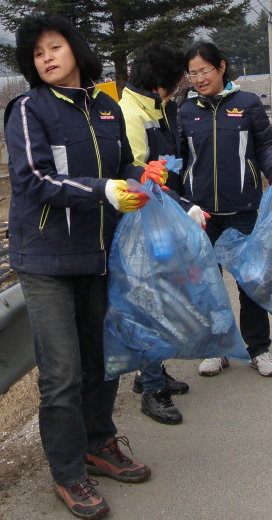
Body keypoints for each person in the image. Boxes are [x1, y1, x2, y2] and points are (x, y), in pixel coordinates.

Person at [4, 12, 167, 519]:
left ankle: (100, 444)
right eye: (37, 53)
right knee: (62, 372)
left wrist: (142, 174)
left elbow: (117, 165)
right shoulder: (29, 110)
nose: (47, 58)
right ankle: (68, 471)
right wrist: (105, 192)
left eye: (53, 47)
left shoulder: (104, 105)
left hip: (99, 253)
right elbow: (33, 178)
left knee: (102, 361)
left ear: (74, 49)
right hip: (47, 260)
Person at [178, 41, 272, 378]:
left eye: (204, 71)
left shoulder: (246, 104)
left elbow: (266, 145)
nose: (199, 79)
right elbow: (178, 161)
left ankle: (258, 349)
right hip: (201, 216)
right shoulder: (185, 112)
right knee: (208, 287)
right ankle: (218, 348)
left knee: (250, 283)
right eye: (193, 73)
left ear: (221, 67)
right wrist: (182, 201)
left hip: (243, 210)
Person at [118, 43, 202, 425]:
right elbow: (140, 180)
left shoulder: (157, 108)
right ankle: (152, 389)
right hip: (145, 221)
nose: (179, 86)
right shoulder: (131, 115)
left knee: (163, 297)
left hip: (164, 214)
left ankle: (151, 372)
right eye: (175, 81)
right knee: (150, 302)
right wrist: (184, 208)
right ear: (159, 83)